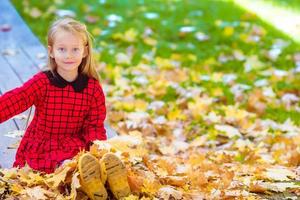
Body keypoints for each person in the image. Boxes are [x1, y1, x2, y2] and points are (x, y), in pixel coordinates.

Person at [0, 18, 130, 199]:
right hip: (43, 146)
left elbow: (94, 125)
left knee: (81, 162)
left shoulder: (92, 89)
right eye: (62, 49)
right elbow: (17, 99)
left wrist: (96, 150)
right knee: (64, 168)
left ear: (84, 51)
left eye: (75, 49)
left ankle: (106, 177)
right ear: (51, 51)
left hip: (74, 144)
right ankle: (90, 181)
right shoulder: (43, 82)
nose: (69, 55)